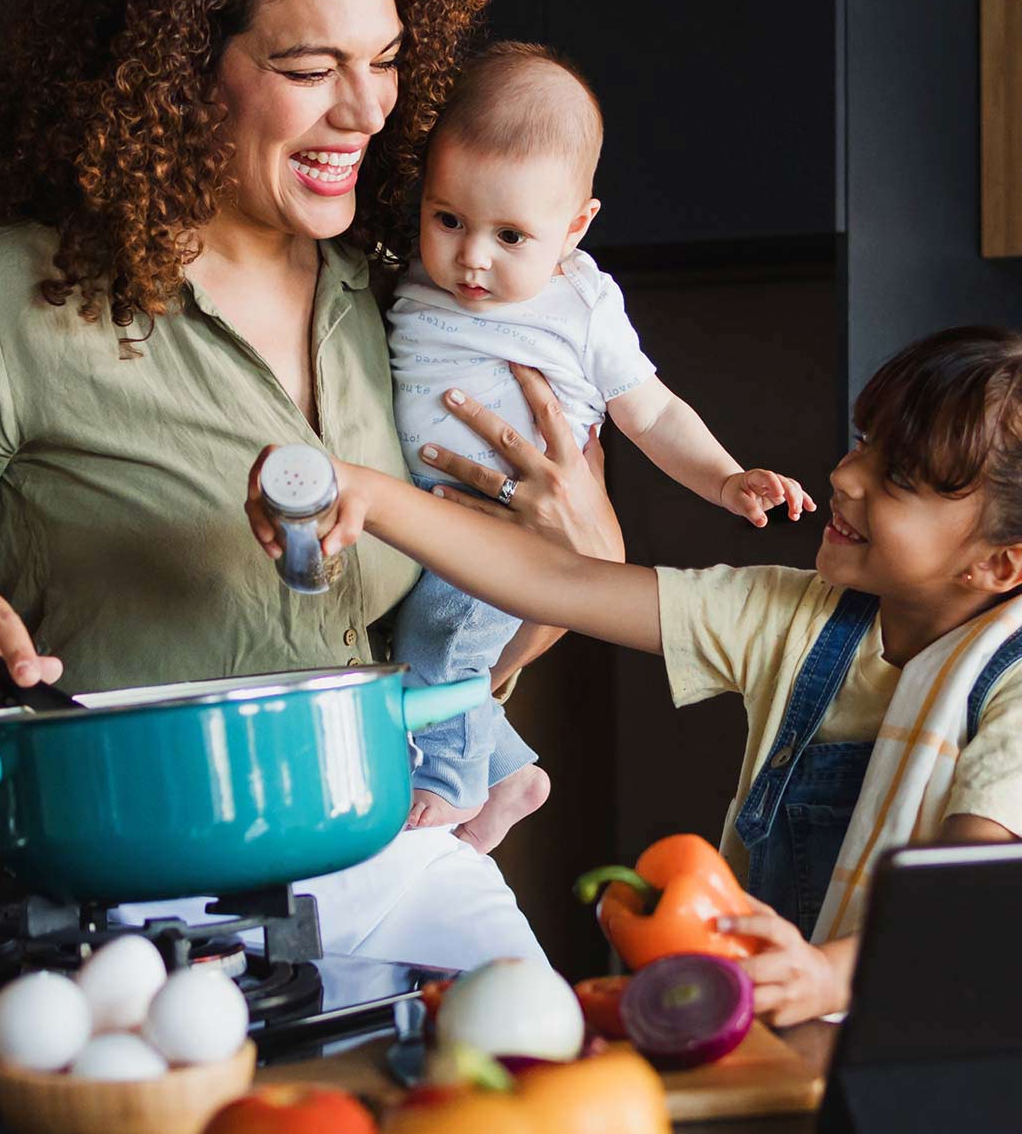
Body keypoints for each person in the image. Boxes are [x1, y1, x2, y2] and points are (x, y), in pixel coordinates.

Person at [0, 0, 622, 969]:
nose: (368, 110)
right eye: (308, 66)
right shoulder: (7, 302)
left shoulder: (400, 297)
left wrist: (570, 564)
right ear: (181, 68)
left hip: (397, 861)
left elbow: (482, 632)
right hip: (142, 918)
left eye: (386, 60)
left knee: (562, 1109)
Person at [250, 327, 1022, 1023]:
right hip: (783, 1030)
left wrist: (828, 976)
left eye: (901, 478)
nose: (848, 474)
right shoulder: (798, 619)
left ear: (1000, 563)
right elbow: (562, 584)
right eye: (864, 441)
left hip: (932, 1057)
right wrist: (372, 497)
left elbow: (962, 896)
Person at [383, 42, 815, 852]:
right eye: (448, 219)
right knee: (430, 649)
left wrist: (725, 479)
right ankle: (508, 772)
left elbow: (651, 415)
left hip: (503, 531)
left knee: (436, 645)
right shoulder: (415, 273)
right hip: (431, 521)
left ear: (575, 226)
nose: (471, 257)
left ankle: (448, 780)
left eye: (511, 236)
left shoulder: (579, 306)